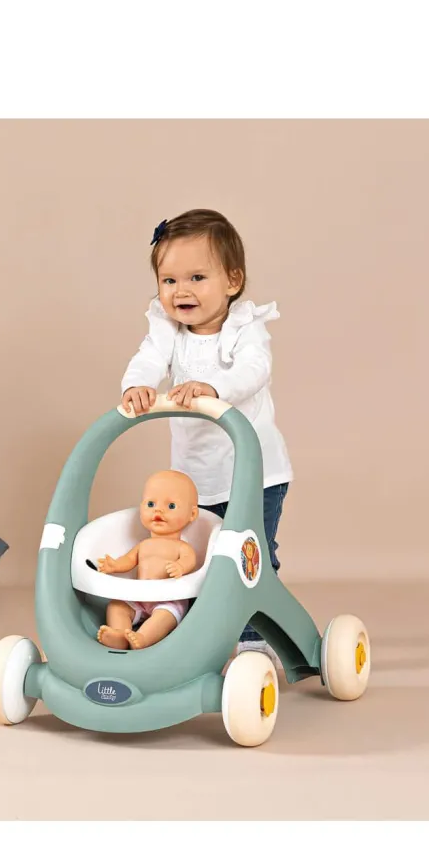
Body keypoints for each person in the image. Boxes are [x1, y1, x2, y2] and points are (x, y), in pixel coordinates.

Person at [120, 209, 292, 661]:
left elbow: (255, 370)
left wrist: (213, 389)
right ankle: (192, 632)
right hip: (195, 478)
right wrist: (137, 385)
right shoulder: (168, 329)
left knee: (248, 552)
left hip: (254, 473)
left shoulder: (244, 328)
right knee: (193, 556)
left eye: (197, 277)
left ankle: (254, 637)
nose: (182, 291)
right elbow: (148, 358)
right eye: (169, 280)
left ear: (232, 281)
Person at [96, 470, 200, 651]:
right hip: (139, 598)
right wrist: (115, 565)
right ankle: (120, 634)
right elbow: (128, 560)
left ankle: (143, 638)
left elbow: (190, 560)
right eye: (151, 504)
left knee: (164, 617)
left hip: (168, 599)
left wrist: (180, 567)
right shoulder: (143, 545)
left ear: (192, 514)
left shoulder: (182, 547)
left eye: (171, 506)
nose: (158, 510)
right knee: (116, 606)